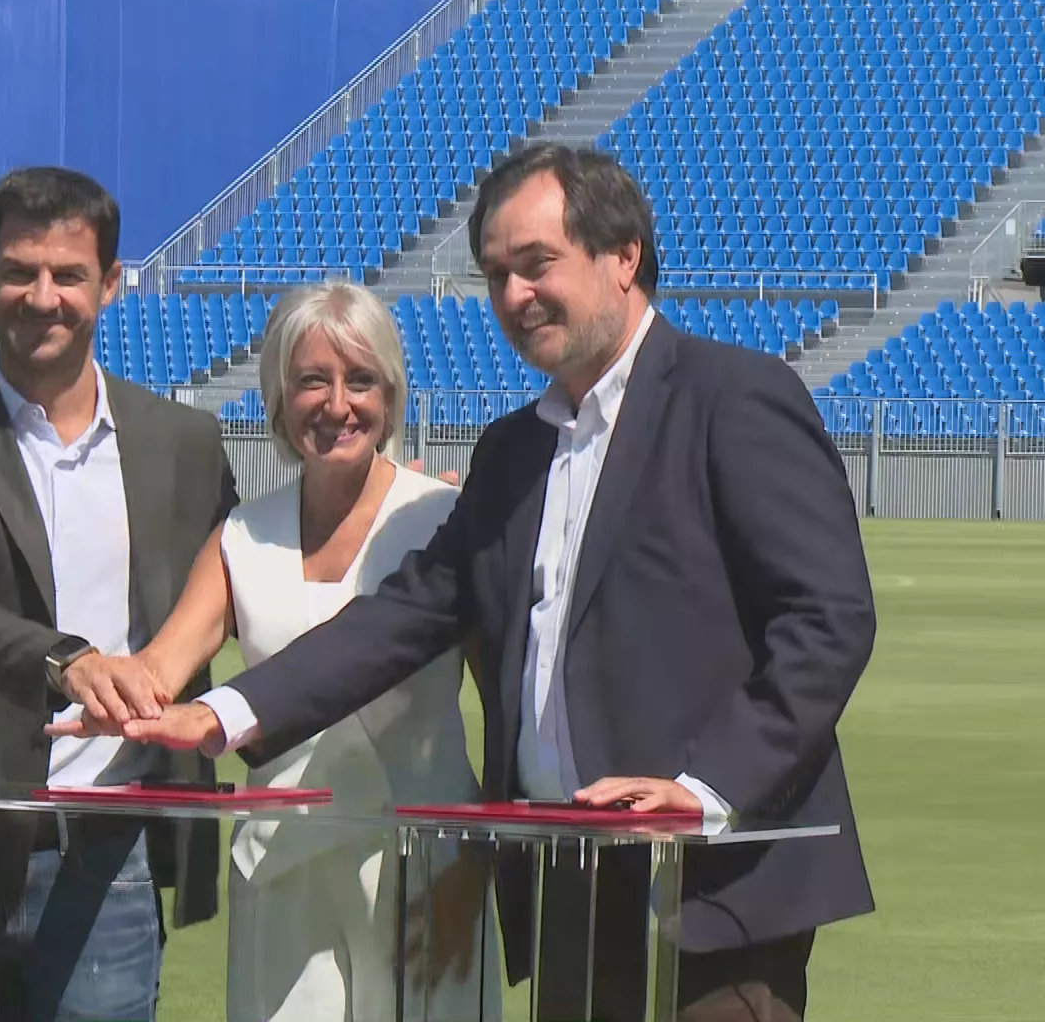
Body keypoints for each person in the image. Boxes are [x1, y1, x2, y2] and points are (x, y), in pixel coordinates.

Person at [89, 144, 878, 1021]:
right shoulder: (512, 452)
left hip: (715, 889)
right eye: (496, 275)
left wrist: (702, 792)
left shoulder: (735, 397)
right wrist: (225, 713)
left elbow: (826, 621)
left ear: (624, 257)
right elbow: (400, 618)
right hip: (563, 875)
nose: (513, 297)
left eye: (536, 265)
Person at [51, 280, 498, 1022]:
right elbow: (161, 671)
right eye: (311, 382)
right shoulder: (241, 536)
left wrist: (477, 867)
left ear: (390, 394)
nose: (336, 404)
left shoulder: (444, 522)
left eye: (360, 380)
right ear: (278, 399)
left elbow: (505, 712)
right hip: (282, 873)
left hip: (428, 871)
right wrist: (92, 683)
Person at [0, 166, 237, 1022]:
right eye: (20, 270)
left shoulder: (184, 443)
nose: (42, 295)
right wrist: (65, 661)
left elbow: (238, 581)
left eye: (68, 274)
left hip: (115, 846)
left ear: (109, 283)